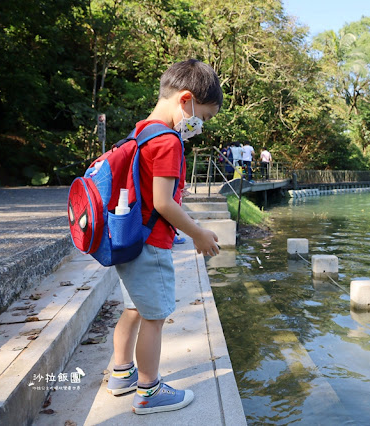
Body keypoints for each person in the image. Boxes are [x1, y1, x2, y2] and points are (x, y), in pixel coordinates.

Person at [106, 59, 222, 415]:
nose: (199, 125)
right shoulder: (169, 141)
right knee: (154, 317)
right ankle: (148, 391)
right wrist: (199, 233)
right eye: (202, 116)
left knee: (132, 309)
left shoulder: (141, 130)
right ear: (185, 100)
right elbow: (163, 202)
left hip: (129, 239)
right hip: (151, 243)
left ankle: (121, 374)